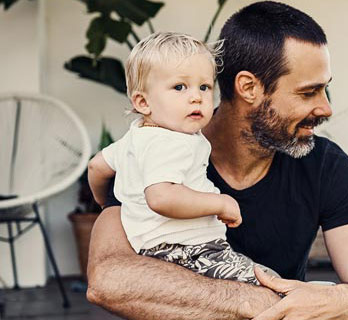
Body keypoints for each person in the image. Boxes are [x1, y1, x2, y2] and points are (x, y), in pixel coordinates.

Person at [83, 2, 348, 319]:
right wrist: (270, 306)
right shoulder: (154, 149)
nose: (326, 108)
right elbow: (109, 279)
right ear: (249, 87)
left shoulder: (326, 165)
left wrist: (345, 300)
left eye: (325, 89)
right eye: (308, 92)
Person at [97, 31, 277, 285]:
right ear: (142, 102)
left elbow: (96, 167)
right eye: (179, 87)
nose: (196, 96)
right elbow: (161, 197)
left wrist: (104, 202)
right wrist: (220, 203)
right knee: (269, 284)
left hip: (155, 248)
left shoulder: (136, 136)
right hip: (188, 250)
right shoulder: (172, 142)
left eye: (204, 86)